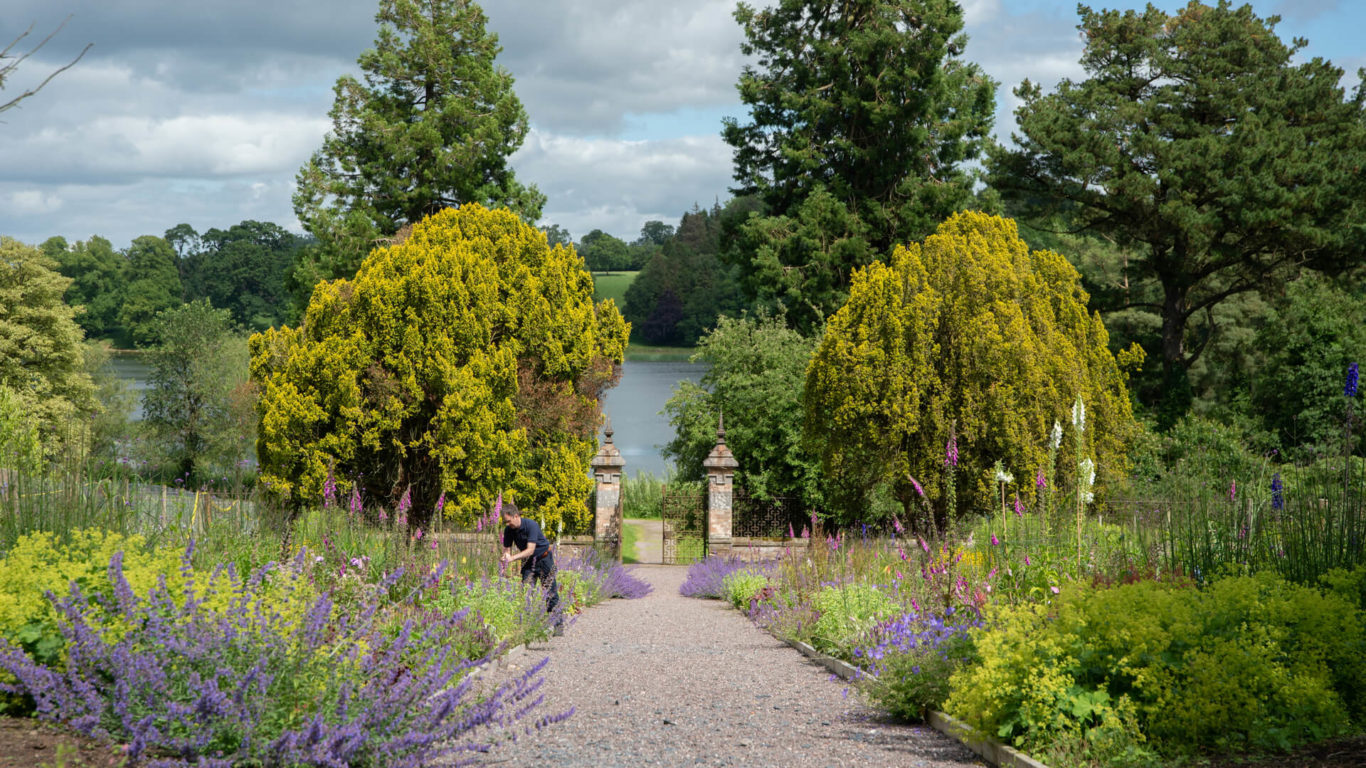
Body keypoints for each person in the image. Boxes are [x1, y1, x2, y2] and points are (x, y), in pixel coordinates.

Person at [499, 498, 564, 636]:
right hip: (528, 563)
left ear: (516, 516)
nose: (508, 524)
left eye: (509, 521)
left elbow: (530, 549)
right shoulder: (508, 530)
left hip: (544, 559)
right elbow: (506, 550)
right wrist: (504, 562)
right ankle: (526, 628)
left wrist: (512, 559)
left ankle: (558, 625)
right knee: (527, 592)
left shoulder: (531, 525)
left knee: (550, 592)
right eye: (506, 522)